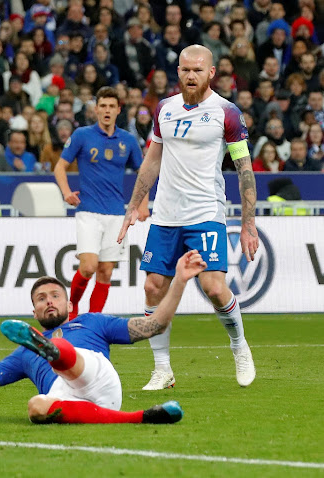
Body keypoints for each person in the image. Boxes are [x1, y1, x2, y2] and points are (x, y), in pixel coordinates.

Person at [0, 250, 210, 425]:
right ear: (34, 312)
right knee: (35, 408)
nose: (49, 301)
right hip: (79, 403)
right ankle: (142, 417)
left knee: (62, 353)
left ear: (69, 303)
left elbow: (155, 325)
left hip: (99, 380)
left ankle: (55, 351)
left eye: (54, 295)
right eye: (41, 299)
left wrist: (179, 280)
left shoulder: (91, 322)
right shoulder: (21, 355)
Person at [118, 45, 257, 391]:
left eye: (197, 70)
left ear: (211, 73)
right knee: (152, 287)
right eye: (184, 70)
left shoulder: (227, 113)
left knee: (213, 288)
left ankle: (239, 345)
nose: (190, 76)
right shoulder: (164, 109)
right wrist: (134, 206)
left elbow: (245, 172)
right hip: (166, 215)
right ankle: (162, 370)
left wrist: (248, 224)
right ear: (177, 71)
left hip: (206, 212)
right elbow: (152, 161)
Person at [54, 87, 148, 318]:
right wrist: (66, 192)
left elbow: (143, 173)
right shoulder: (82, 136)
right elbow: (59, 166)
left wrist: (143, 204)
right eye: (103, 106)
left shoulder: (128, 140)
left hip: (117, 214)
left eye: (111, 106)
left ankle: (93, 320)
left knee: (105, 272)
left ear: (118, 110)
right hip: (88, 211)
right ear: (95, 109)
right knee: (88, 266)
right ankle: (72, 310)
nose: (107, 110)